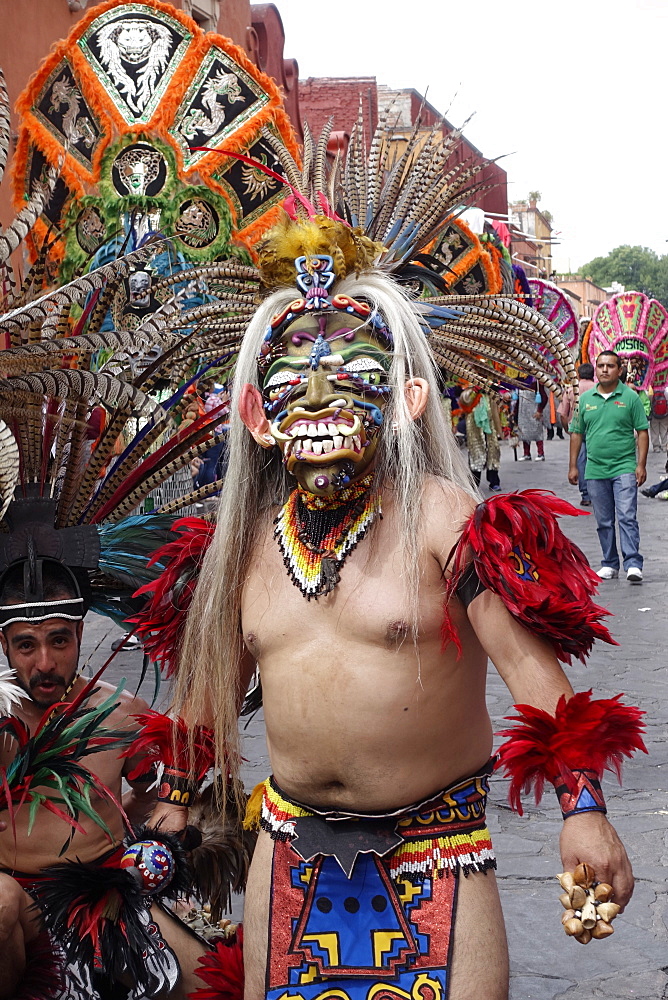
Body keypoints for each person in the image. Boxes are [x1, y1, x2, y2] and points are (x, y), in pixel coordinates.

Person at [140, 123, 644, 1000]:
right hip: (288, 859)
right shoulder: (238, 550)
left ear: (409, 399)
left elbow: (538, 681)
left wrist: (586, 813)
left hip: (436, 858)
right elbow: (201, 702)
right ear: (259, 414)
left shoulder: (449, 522)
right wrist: (168, 818)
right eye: (298, 379)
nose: (323, 397)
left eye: (352, 374)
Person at [0, 559, 210, 1000]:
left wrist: (146, 846)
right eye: (25, 646)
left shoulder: (119, 713)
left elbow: (149, 796)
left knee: (216, 983)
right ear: (3, 645)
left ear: (79, 634)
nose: (45, 663)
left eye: (59, 641)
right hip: (17, 898)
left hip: (104, 894)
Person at [568, 351, 649, 582]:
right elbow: (577, 434)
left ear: (619, 370)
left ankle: (633, 563)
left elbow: (642, 432)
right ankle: (610, 563)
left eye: (610, 366)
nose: (604, 370)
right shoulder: (585, 400)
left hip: (624, 466)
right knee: (603, 520)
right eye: (601, 366)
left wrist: (641, 464)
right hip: (594, 469)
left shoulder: (630, 397)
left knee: (626, 516)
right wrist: (573, 465)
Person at [559, 362, 595, 506]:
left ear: (578, 374)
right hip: (595, 428)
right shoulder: (598, 389)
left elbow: (563, 414)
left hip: (577, 429)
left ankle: (586, 494)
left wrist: (567, 428)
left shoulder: (571, 390)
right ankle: (597, 492)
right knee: (594, 459)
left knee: (581, 460)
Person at [516, 384, 547, 460]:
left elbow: (544, 398)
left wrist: (539, 411)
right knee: (524, 432)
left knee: (538, 433)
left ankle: (540, 453)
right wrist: (515, 412)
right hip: (523, 412)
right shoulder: (520, 381)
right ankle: (526, 453)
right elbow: (518, 400)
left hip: (534, 412)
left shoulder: (536, 382)